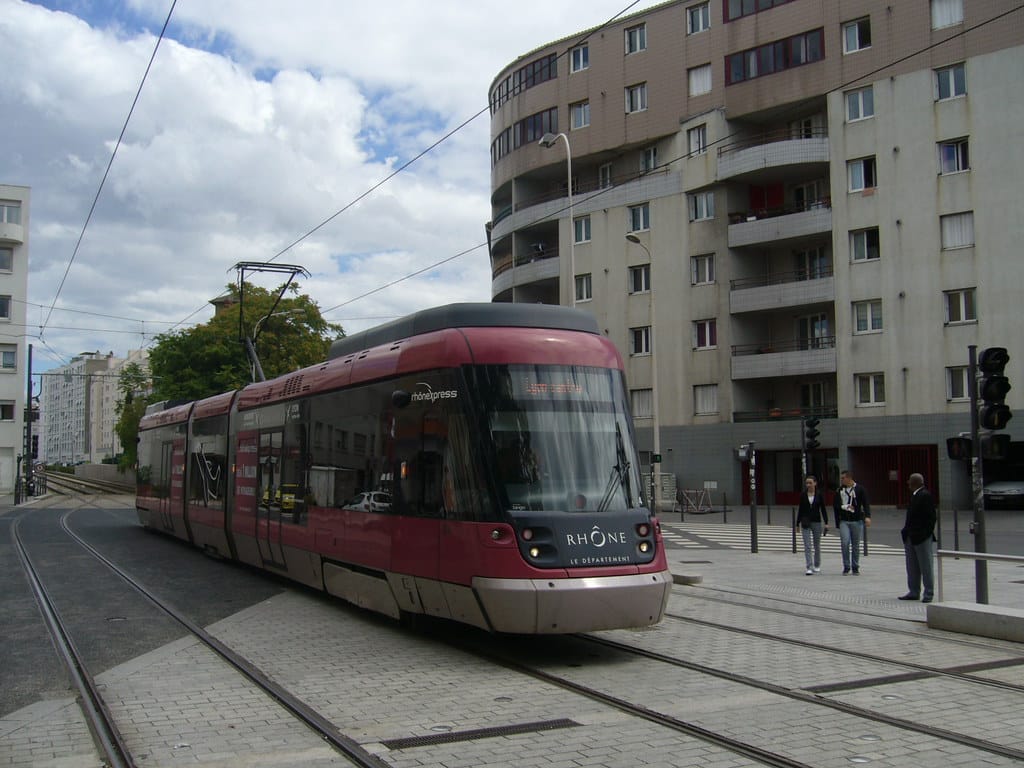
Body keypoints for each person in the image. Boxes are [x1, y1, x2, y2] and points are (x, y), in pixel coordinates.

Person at [899, 473, 937, 603]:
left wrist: (925, 534)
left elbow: (931, 518)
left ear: (915, 482)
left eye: (909, 481)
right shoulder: (916, 495)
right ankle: (914, 591)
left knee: (926, 566)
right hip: (911, 536)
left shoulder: (925, 495)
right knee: (912, 566)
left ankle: (928, 593)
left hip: (921, 537)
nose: (907, 483)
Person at [833, 469, 870, 574]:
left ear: (849, 478)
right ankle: (846, 565)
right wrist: (839, 518)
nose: (841, 480)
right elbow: (835, 505)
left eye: (843, 478)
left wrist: (867, 516)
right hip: (844, 520)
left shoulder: (860, 489)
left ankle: (855, 566)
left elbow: (866, 503)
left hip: (857, 520)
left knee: (855, 544)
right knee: (845, 542)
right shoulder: (840, 490)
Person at [796, 475, 829, 575]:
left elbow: (823, 509)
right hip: (805, 521)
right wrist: (797, 523)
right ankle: (809, 566)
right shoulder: (803, 495)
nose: (808, 485)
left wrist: (826, 522)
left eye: (810, 483)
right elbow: (800, 509)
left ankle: (817, 564)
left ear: (815, 483)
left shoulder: (819, 495)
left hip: (816, 521)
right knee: (807, 545)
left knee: (816, 544)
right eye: (807, 483)